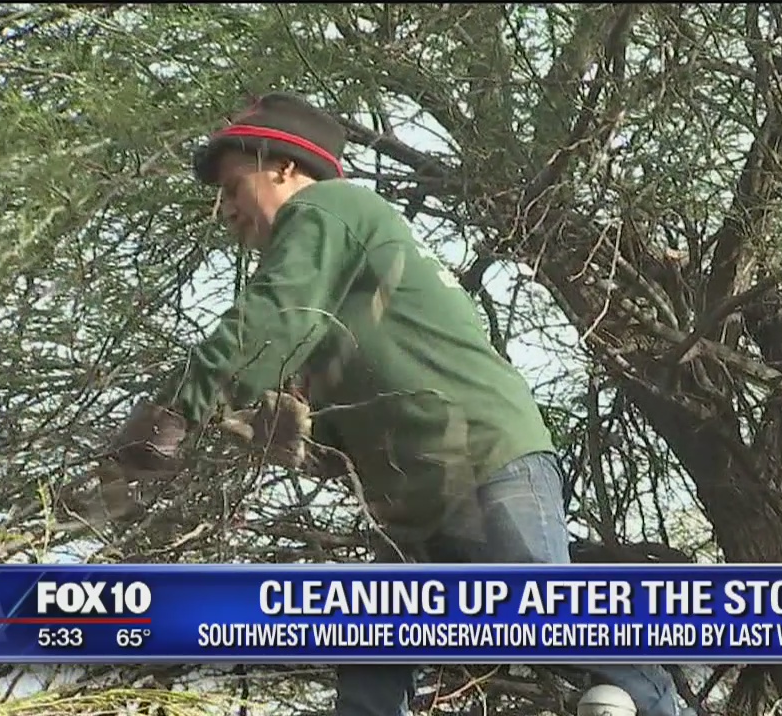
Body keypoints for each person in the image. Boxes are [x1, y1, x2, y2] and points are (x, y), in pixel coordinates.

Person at [95, 92, 691, 716]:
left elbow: (272, 317)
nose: (224, 209)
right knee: (372, 656)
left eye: (231, 186)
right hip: (412, 503)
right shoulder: (332, 266)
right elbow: (321, 374)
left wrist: (173, 414)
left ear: (282, 167)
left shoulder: (329, 207)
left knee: (549, 612)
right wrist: (298, 431)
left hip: (480, 459)